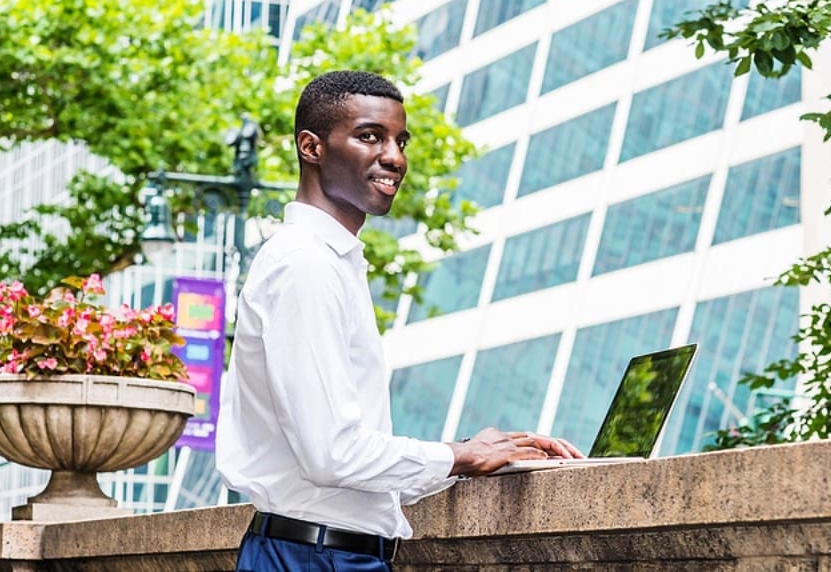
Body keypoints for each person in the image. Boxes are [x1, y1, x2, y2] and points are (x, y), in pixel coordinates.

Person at [215, 71, 582, 572]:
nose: (395, 157)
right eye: (370, 136)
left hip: (323, 552)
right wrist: (459, 455)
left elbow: (348, 470)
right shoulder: (306, 264)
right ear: (311, 147)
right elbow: (331, 454)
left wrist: (477, 456)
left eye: (399, 140)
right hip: (313, 558)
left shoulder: (331, 261)